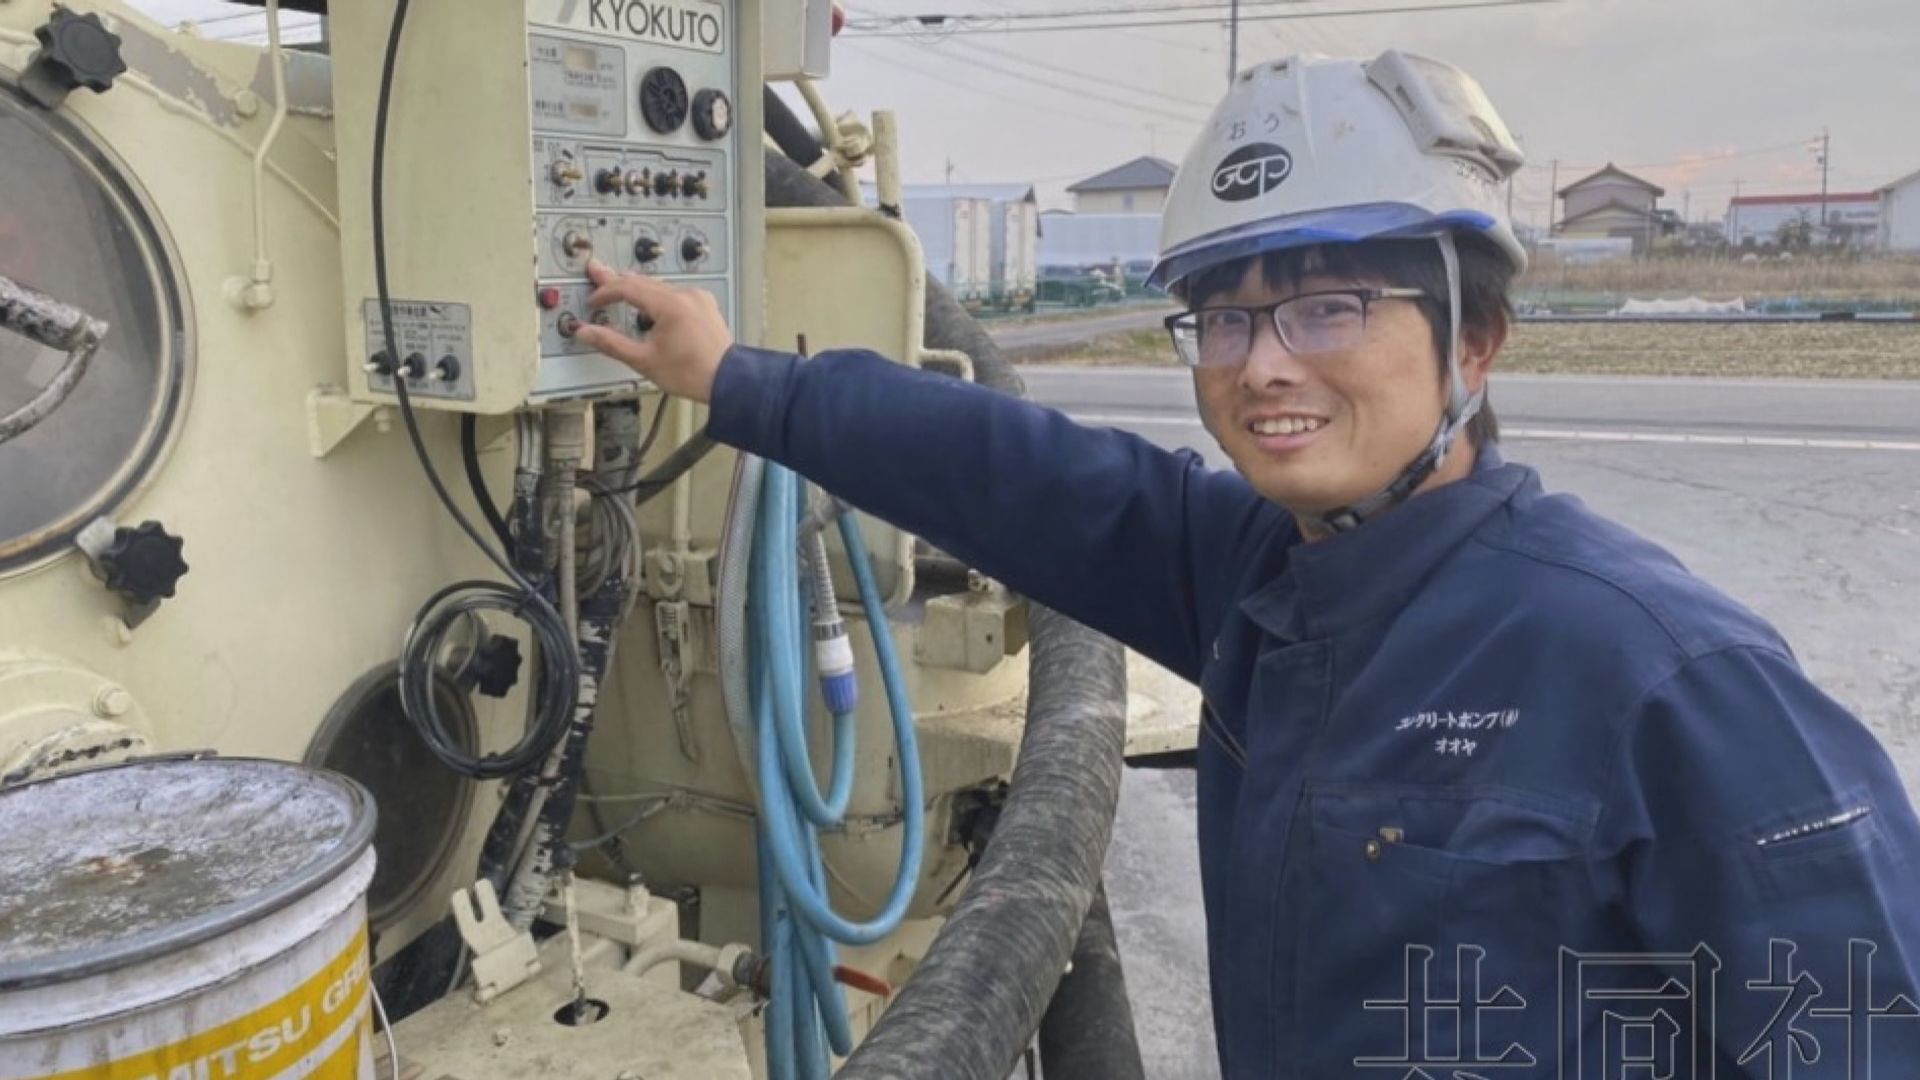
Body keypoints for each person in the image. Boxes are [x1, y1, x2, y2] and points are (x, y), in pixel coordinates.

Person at [576, 51, 1920, 1078]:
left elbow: (1866, 1027)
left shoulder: (1668, 677)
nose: (1265, 363)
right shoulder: (1263, 581)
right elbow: (1008, 468)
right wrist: (733, 378)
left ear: (1476, 341)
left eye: (1330, 304)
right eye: (1226, 317)